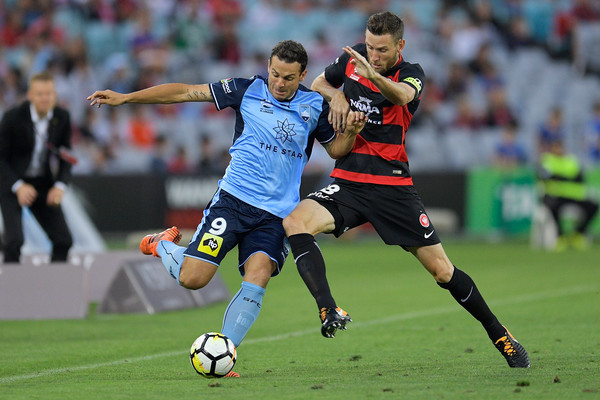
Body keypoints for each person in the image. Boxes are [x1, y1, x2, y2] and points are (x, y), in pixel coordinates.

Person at [87, 40, 366, 377]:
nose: (279, 83)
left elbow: (336, 149)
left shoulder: (314, 105)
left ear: (303, 74)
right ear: (268, 67)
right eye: (275, 74)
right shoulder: (246, 89)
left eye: (289, 78)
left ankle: (226, 353)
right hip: (232, 202)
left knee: (259, 273)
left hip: (277, 215)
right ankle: (162, 244)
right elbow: (186, 93)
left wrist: (350, 132)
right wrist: (127, 98)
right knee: (193, 279)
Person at [282, 11, 531, 368]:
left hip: (393, 188)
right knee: (295, 223)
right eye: (369, 46)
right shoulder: (353, 57)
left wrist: (372, 75)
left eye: (381, 49)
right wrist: (335, 96)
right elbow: (321, 81)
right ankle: (328, 307)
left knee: (443, 272)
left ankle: (500, 334)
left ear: (400, 45)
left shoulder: (411, 73)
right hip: (349, 181)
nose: (373, 54)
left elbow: (400, 96)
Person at [0, 72, 74, 263]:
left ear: (55, 95)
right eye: (40, 94)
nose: (44, 98)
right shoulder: (12, 117)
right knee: (14, 241)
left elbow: (67, 156)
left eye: (48, 93)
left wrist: (60, 185)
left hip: (42, 183)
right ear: (30, 95)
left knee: (63, 240)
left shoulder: (62, 117)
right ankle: (9, 288)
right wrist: (18, 186)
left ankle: (54, 287)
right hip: (12, 183)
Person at [539, 140, 598, 251]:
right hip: (556, 195)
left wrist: (559, 177)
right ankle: (560, 236)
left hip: (574, 195)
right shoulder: (547, 160)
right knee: (553, 206)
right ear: (552, 149)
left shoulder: (571, 161)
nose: (559, 150)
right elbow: (544, 177)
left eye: (560, 148)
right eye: (556, 148)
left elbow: (579, 178)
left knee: (593, 206)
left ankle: (578, 234)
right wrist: (566, 178)